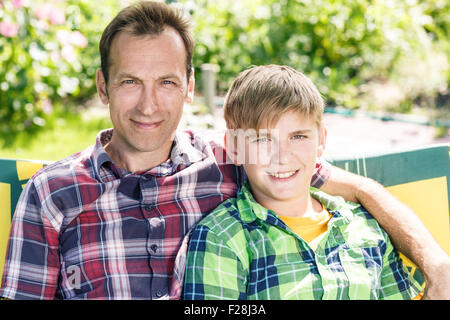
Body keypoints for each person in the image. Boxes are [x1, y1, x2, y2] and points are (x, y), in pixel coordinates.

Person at [0, 1, 448, 300]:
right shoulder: (53, 193)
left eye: (168, 83)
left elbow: (361, 190)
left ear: (191, 87)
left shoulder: (237, 158)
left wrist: (437, 264)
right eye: (130, 82)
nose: (149, 105)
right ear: (103, 87)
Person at [183, 65, 423, 300]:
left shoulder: (365, 227)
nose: (283, 156)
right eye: (263, 139)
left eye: (298, 136)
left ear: (321, 141)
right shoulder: (222, 238)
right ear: (235, 147)